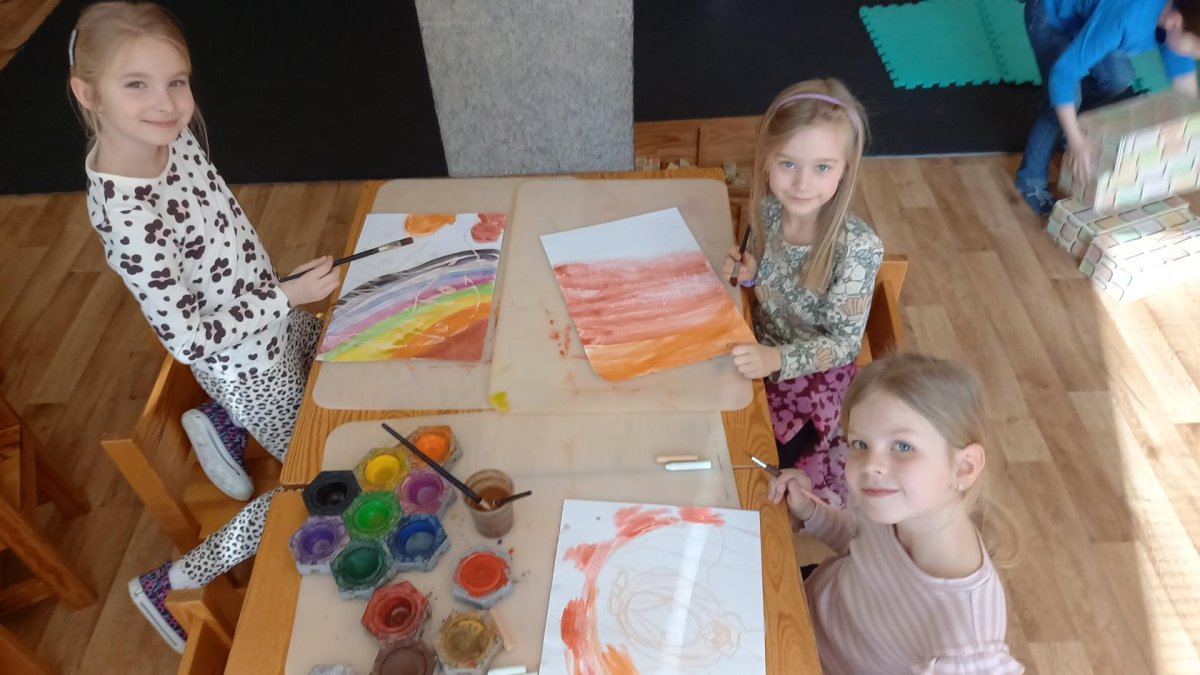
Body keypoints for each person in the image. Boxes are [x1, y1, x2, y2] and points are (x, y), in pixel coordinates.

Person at [68, 1, 338, 651]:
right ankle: (173, 581)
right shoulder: (129, 216)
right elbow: (186, 340)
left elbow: (219, 236)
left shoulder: (168, 136)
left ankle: (223, 420)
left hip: (268, 322)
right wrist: (285, 295)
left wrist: (279, 291)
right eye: (137, 84)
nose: (166, 103)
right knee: (319, 482)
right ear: (88, 93)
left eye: (177, 81)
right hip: (246, 363)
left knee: (348, 356)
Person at [769, 352, 1023, 674]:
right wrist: (810, 511)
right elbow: (858, 542)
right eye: (860, 444)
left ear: (963, 467)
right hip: (795, 606)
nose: (871, 465)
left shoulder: (967, 637)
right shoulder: (895, 509)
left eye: (902, 446)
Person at [723, 78, 883, 508]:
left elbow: (844, 346)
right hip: (756, 350)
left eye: (822, 168)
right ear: (766, 160)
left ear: (845, 169)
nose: (801, 183)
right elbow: (772, 280)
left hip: (811, 386)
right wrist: (750, 272)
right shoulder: (769, 210)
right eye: (788, 164)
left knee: (746, 470)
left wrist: (775, 360)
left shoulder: (858, 249)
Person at [1016, 0, 1200, 215]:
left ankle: (1064, 111)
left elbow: (1185, 91)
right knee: (1067, 96)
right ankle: (1030, 180)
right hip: (1051, 15)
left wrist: (1191, 137)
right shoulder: (1127, 20)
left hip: (1094, 21)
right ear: (1174, 22)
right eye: (1195, 49)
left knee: (1118, 79)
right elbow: (1063, 73)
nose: (1195, 56)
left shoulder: (1179, 17)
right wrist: (1076, 140)